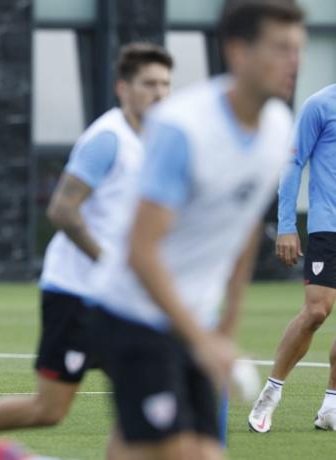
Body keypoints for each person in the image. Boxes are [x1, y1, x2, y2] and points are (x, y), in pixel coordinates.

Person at [0, 43, 173, 459]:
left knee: (143, 406)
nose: (159, 93)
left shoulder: (161, 142)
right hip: (76, 293)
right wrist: (112, 263)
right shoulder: (108, 139)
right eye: (149, 84)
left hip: (124, 299)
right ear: (123, 88)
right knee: (49, 409)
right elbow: (63, 210)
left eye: (165, 85)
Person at [85, 1, 304, 458]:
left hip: (195, 319)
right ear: (239, 52)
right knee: (185, 453)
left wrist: (225, 328)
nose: (294, 62)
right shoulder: (184, 128)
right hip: (133, 314)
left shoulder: (278, 128)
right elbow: (141, 251)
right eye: (281, 49)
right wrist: (202, 340)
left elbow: (243, 234)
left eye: (298, 49)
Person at [248, 90, 336, 430]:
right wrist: (286, 226)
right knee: (317, 311)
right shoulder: (321, 105)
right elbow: (292, 162)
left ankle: (330, 406)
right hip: (328, 227)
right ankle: (271, 392)